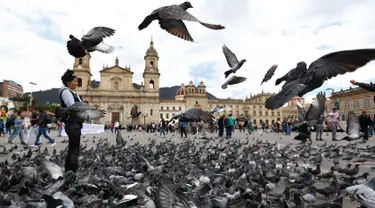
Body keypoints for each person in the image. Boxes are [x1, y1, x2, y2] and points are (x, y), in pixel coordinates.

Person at [59, 69, 83, 173]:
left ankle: (69, 171)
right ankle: (72, 172)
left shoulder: (71, 92)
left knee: (73, 149)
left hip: (75, 124)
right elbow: (73, 107)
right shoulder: (66, 92)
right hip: (72, 124)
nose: (76, 83)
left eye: (76, 80)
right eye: (74, 81)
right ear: (67, 82)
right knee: (74, 150)